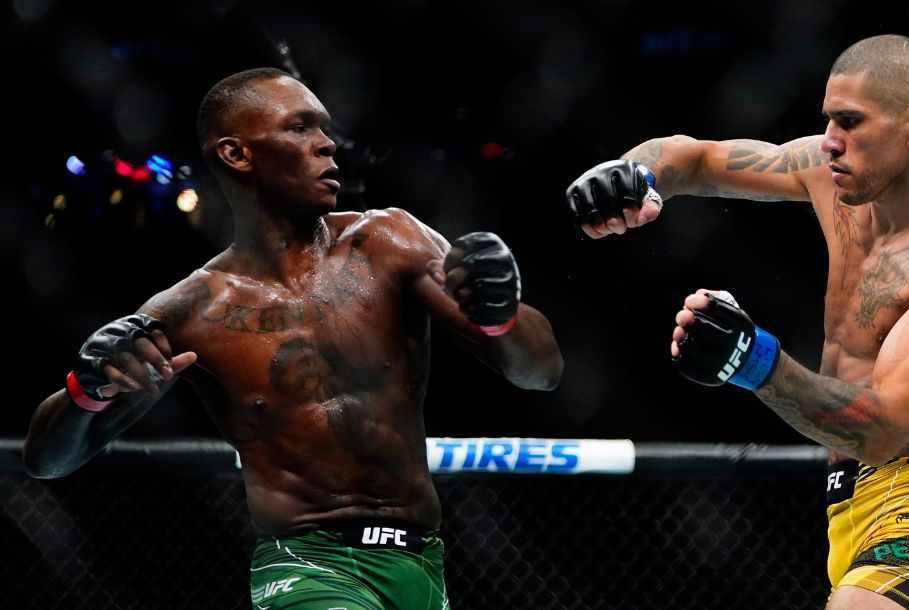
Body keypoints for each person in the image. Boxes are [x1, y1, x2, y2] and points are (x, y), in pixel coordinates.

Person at [24, 67, 563, 609]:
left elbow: (541, 373)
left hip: (419, 563)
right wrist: (87, 388)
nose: (328, 144)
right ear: (238, 154)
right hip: (305, 568)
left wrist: (502, 314)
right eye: (300, 128)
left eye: (324, 127)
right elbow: (48, 461)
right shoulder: (194, 309)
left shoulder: (390, 241)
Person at [565, 34, 909, 610]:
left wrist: (754, 360)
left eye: (850, 122)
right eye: (828, 120)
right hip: (847, 512)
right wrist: (633, 175)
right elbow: (695, 158)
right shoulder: (832, 176)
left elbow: (883, 432)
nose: (830, 142)